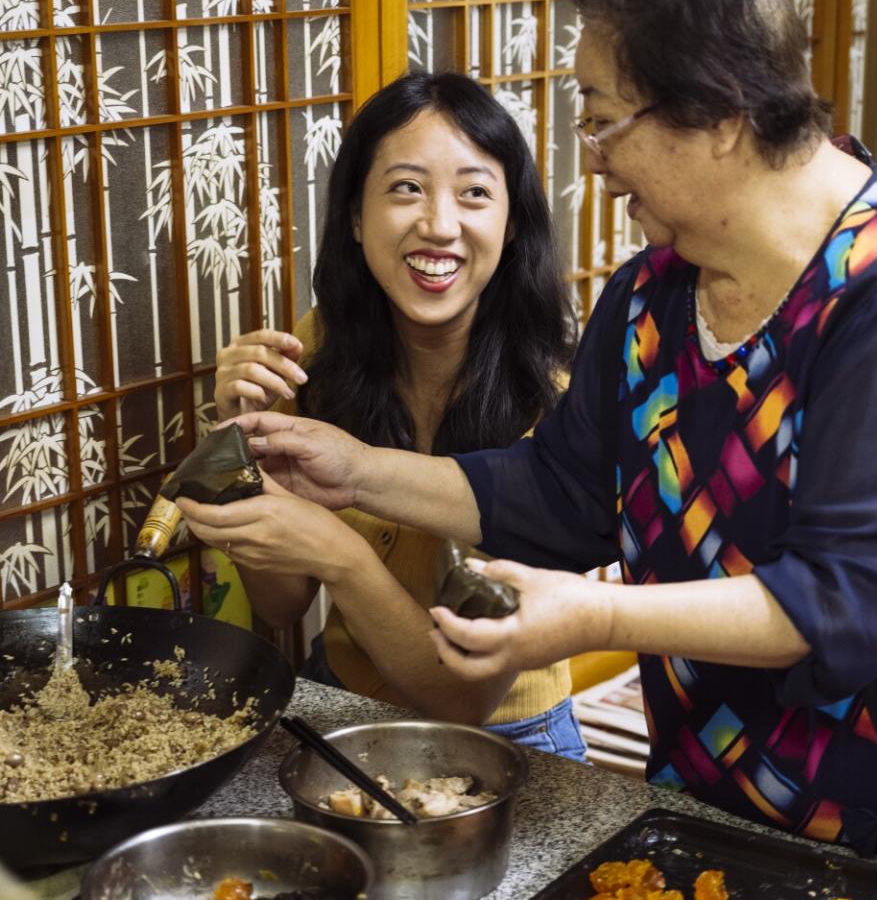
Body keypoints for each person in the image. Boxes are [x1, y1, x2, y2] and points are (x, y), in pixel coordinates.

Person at [212, 0, 877, 900]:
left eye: (607, 116)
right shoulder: (656, 295)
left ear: (717, 113)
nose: (593, 155)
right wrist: (352, 467)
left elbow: (853, 603)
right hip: (709, 785)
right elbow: (557, 495)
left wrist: (574, 623)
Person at [180, 71, 586, 760]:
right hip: (338, 702)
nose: (439, 225)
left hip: (510, 738)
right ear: (355, 218)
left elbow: (462, 696)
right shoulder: (317, 350)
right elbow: (280, 604)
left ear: (512, 224)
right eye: (406, 188)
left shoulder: (554, 399)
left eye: (475, 193)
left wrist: (343, 558)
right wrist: (239, 454)